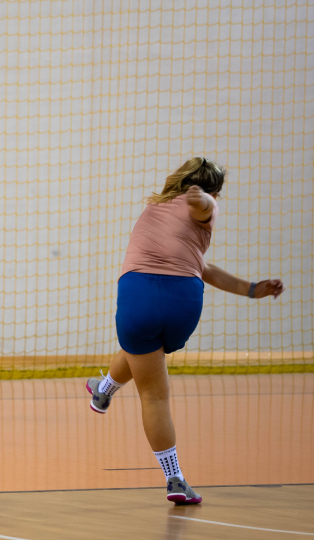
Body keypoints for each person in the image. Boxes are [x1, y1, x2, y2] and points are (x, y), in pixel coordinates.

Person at [86, 157, 285, 504]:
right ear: (216, 190)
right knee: (144, 354)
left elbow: (202, 210)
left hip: (139, 296)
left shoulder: (156, 205)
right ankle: (103, 391)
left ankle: (175, 478)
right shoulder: (206, 209)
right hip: (183, 302)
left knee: (152, 391)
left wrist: (199, 200)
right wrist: (253, 289)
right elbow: (203, 264)